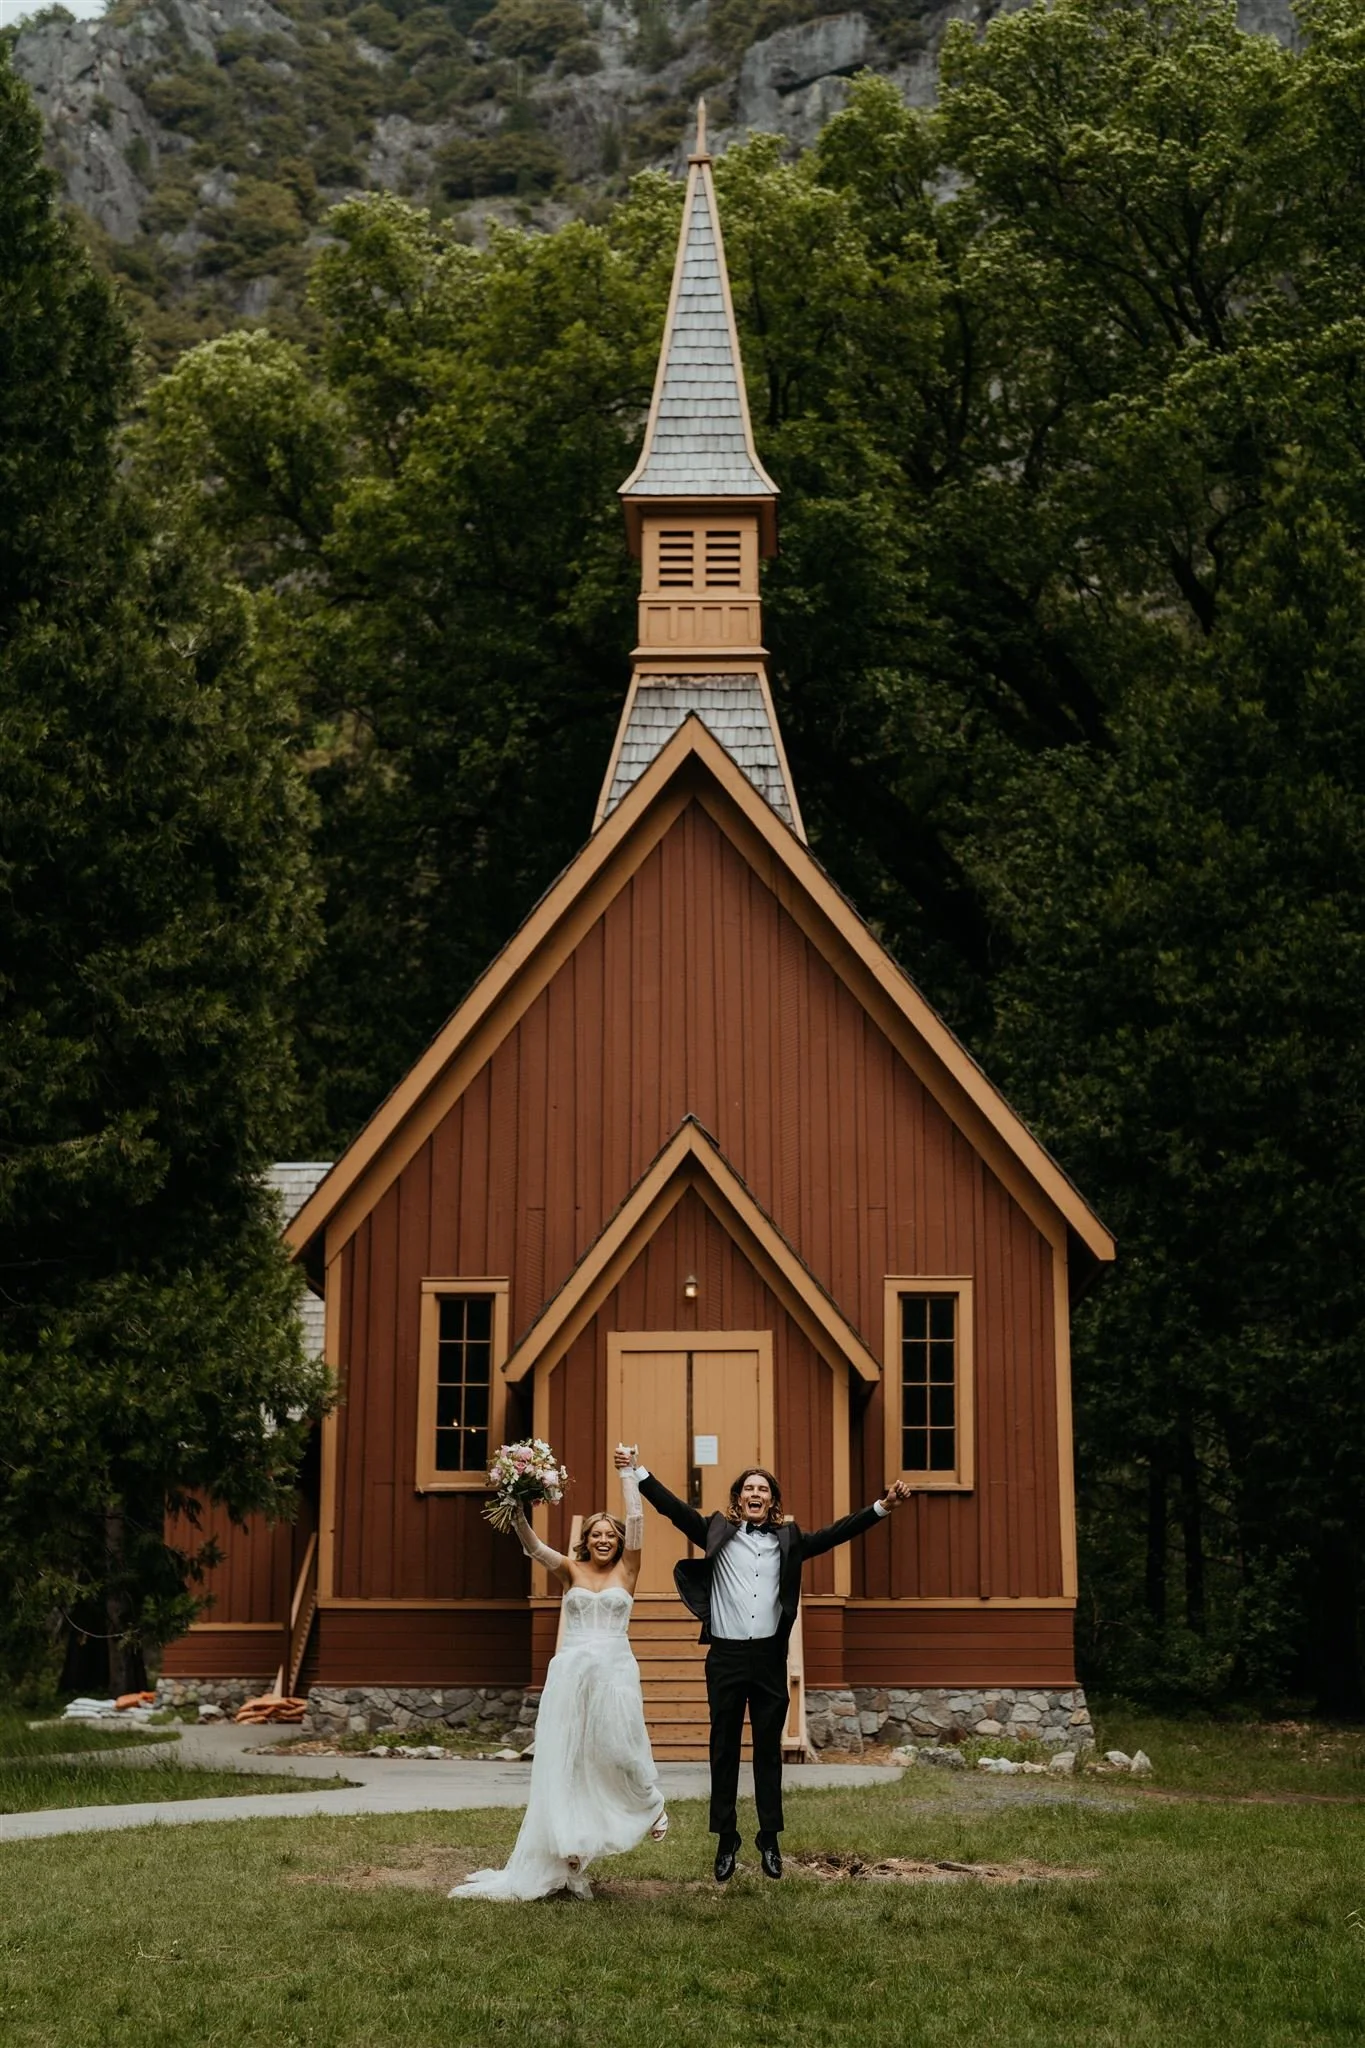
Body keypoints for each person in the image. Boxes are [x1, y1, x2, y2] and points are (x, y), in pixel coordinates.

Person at [618, 1448, 911, 1883]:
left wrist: (882, 1507)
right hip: (727, 1657)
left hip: (771, 1657)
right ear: (738, 1498)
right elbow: (674, 1509)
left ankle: (769, 1838)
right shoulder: (715, 1530)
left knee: (768, 1752)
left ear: (772, 1502)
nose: (756, 1494)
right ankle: (726, 1837)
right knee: (724, 1749)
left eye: (764, 1490)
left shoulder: (789, 1541)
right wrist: (637, 1470)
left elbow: (836, 1533)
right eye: (749, 1488)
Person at [449, 1461, 667, 1901]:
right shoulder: (570, 1570)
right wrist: (517, 1505)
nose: (604, 1540)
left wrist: (628, 1474)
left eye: (610, 1534)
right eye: (596, 1534)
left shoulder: (628, 1570)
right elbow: (533, 1548)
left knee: (619, 1747)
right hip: (572, 1674)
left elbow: (639, 1520)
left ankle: (651, 1803)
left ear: (619, 1541)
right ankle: (572, 1845)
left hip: (614, 1671)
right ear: (585, 1540)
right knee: (571, 1757)